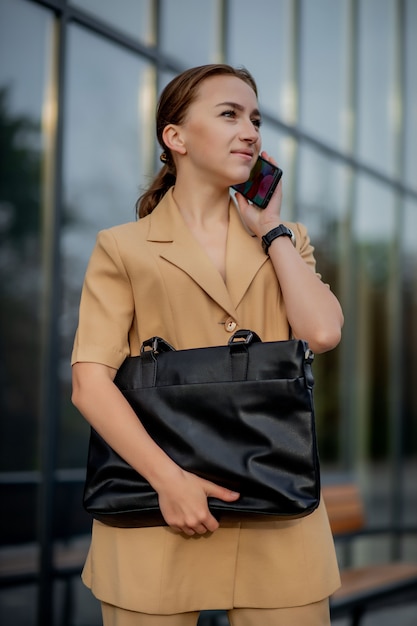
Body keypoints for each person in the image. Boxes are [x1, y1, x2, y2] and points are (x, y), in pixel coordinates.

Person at [71, 64, 344, 626]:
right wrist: (170, 483)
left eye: (256, 119)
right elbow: (89, 382)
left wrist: (272, 231)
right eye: (229, 114)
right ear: (175, 137)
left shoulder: (285, 240)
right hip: (156, 509)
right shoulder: (124, 248)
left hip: (280, 510)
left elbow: (321, 333)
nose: (250, 131)